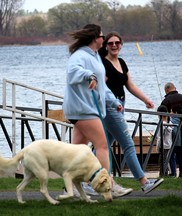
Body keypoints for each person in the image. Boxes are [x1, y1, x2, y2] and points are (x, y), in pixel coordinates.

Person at [62, 24, 131, 197]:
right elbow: (72, 74)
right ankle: (107, 184)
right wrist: (88, 75)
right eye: (102, 36)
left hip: (85, 109)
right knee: (102, 146)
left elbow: (101, 85)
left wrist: (113, 101)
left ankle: (71, 187)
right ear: (95, 38)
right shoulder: (79, 56)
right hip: (83, 109)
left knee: (78, 150)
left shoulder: (95, 56)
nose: (104, 38)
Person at [97, 31, 164, 194]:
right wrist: (112, 102)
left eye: (117, 43)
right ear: (106, 46)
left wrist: (146, 100)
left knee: (102, 145)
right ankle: (144, 182)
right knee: (128, 144)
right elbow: (101, 88)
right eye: (110, 43)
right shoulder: (103, 65)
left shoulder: (121, 62)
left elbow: (130, 86)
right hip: (111, 107)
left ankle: (85, 180)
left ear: (121, 45)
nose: (114, 45)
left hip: (120, 105)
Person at [156, 105, 173, 176]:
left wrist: (157, 147)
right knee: (165, 160)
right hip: (168, 144)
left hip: (163, 145)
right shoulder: (170, 123)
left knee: (162, 161)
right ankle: (166, 173)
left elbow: (160, 136)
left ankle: (163, 174)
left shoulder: (162, 124)